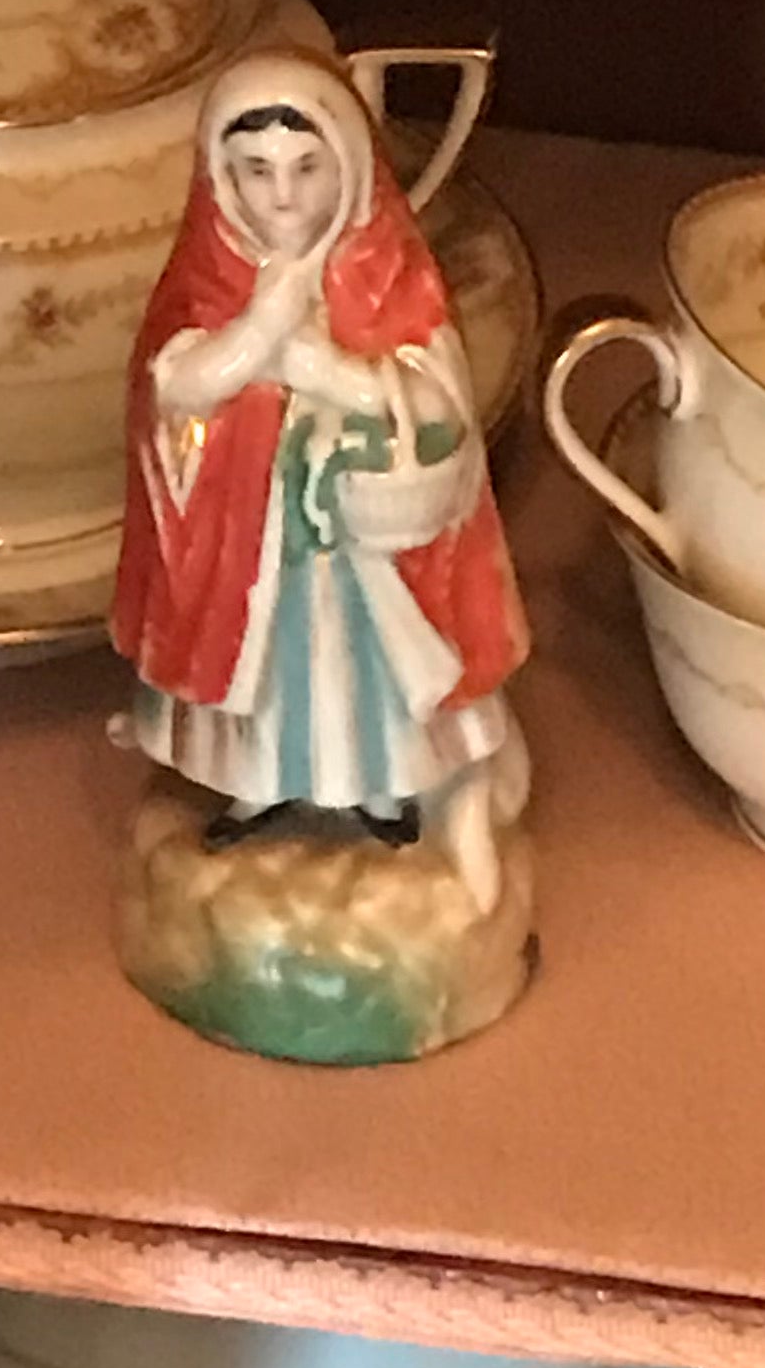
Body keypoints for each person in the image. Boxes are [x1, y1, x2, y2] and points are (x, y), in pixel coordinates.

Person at [113, 50, 530, 905]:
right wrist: (259, 330)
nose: (285, 195)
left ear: (348, 165)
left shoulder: (388, 277)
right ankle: (262, 782)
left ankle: (383, 787)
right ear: (221, 178)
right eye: (256, 172)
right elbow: (175, 385)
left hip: (361, 535)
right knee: (265, 665)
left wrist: (333, 370)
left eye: (307, 168)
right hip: (247, 538)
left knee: (364, 663)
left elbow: (441, 395)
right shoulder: (212, 283)